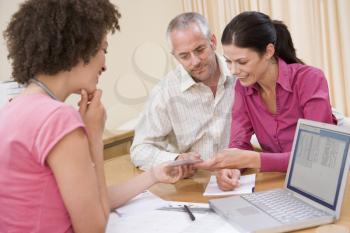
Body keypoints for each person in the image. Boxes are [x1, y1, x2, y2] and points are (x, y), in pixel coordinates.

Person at [0, 1, 182, 232]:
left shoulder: (11, 108)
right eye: (103, 50)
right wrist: (94, 136)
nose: (105, 66)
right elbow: (94, 226)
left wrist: (154, 174)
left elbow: (89, 200)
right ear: (78, 48)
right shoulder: (58, 117)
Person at [195, 11, 337, 190]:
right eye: (228, 62)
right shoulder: (242, 88)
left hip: (323, 183)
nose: (233, 70)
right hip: (281, 183)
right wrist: (233, 168)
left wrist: (253, 159)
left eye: (242, 61)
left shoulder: (309, 79)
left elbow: (316, 157)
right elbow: (239, 143)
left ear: (269, 51)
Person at [130, 12, 238, 180]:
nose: (195, 61)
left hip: (241, 177)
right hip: (193, 186)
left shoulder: (239, 75)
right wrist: (175, 160)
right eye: (184, 56)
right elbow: (140, 149)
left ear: (213, 42)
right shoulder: (165, 92)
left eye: (199, 49)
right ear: (175, 56)